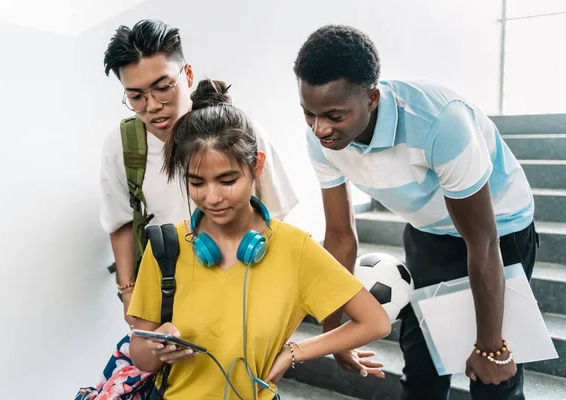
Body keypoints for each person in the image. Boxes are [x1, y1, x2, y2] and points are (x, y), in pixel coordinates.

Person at [293, 25, 538, 400]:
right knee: (422, 367)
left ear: (372, 98)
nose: (320, 128)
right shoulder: (321, 139)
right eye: (309, 113)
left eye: (334, 115)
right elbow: (341, 239)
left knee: (494, 380)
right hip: (430, 233)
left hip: (500, 232)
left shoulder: (439, 123)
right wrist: (335, 335)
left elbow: (483, 242)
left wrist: (492, 348)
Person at [127, 78, 392, 400]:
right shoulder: (166, 248)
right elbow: (139, 355)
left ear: (257, 166)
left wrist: (295, 351)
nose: (212, 198)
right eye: (196, 183)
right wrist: (157, 348)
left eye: (227, 181)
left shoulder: (295, 248)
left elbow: (375, 322)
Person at [100, 19, 298, 326]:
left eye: (163, 88)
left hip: (243, 288)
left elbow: (277, 217)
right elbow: (120, 222)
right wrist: (129, 292)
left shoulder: (241, 132)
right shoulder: (121, 147)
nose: (152, 106)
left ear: (187, 75)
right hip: (171, 298)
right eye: (136, 96)